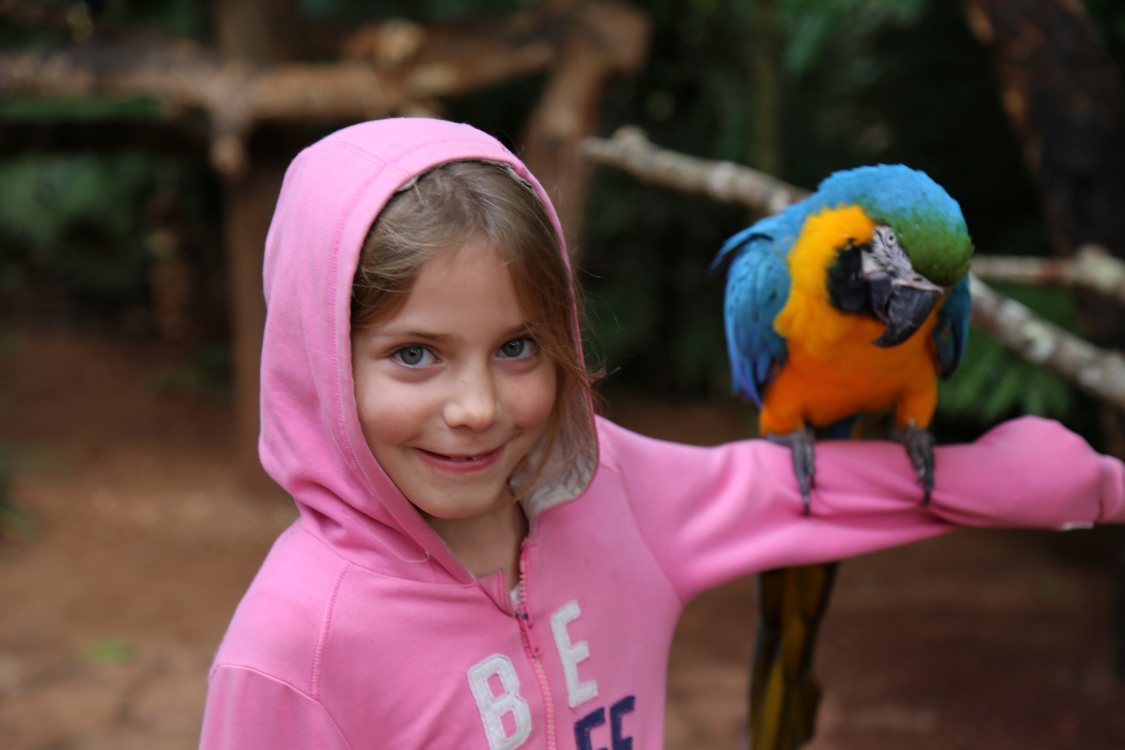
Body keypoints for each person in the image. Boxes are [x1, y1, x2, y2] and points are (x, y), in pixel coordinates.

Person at [198, 118, 1125, 750]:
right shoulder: (294, 648)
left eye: (518, 346)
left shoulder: (613, 488)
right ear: (320, 361)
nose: (476, 407)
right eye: (414, 356)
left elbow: (803, 492)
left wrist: (1064, 481)